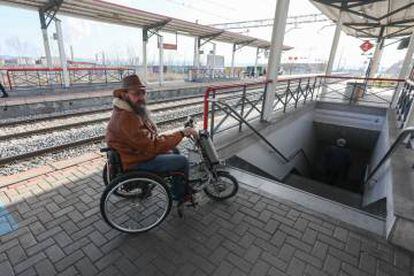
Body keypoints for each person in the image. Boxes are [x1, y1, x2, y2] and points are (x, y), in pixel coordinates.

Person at [105, 74, 197, 202]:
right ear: (125, 94)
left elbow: (148, 139)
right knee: (182, 161)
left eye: (143, 93)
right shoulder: (127, 118)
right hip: (136, 161)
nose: (141, 97)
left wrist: (174, 137)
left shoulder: (129, 110)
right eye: (136, 93)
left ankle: (175, 184)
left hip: (134, 153)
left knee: (174, 150)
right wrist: (181, 133)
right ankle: (180, 194)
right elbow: (153, 146)